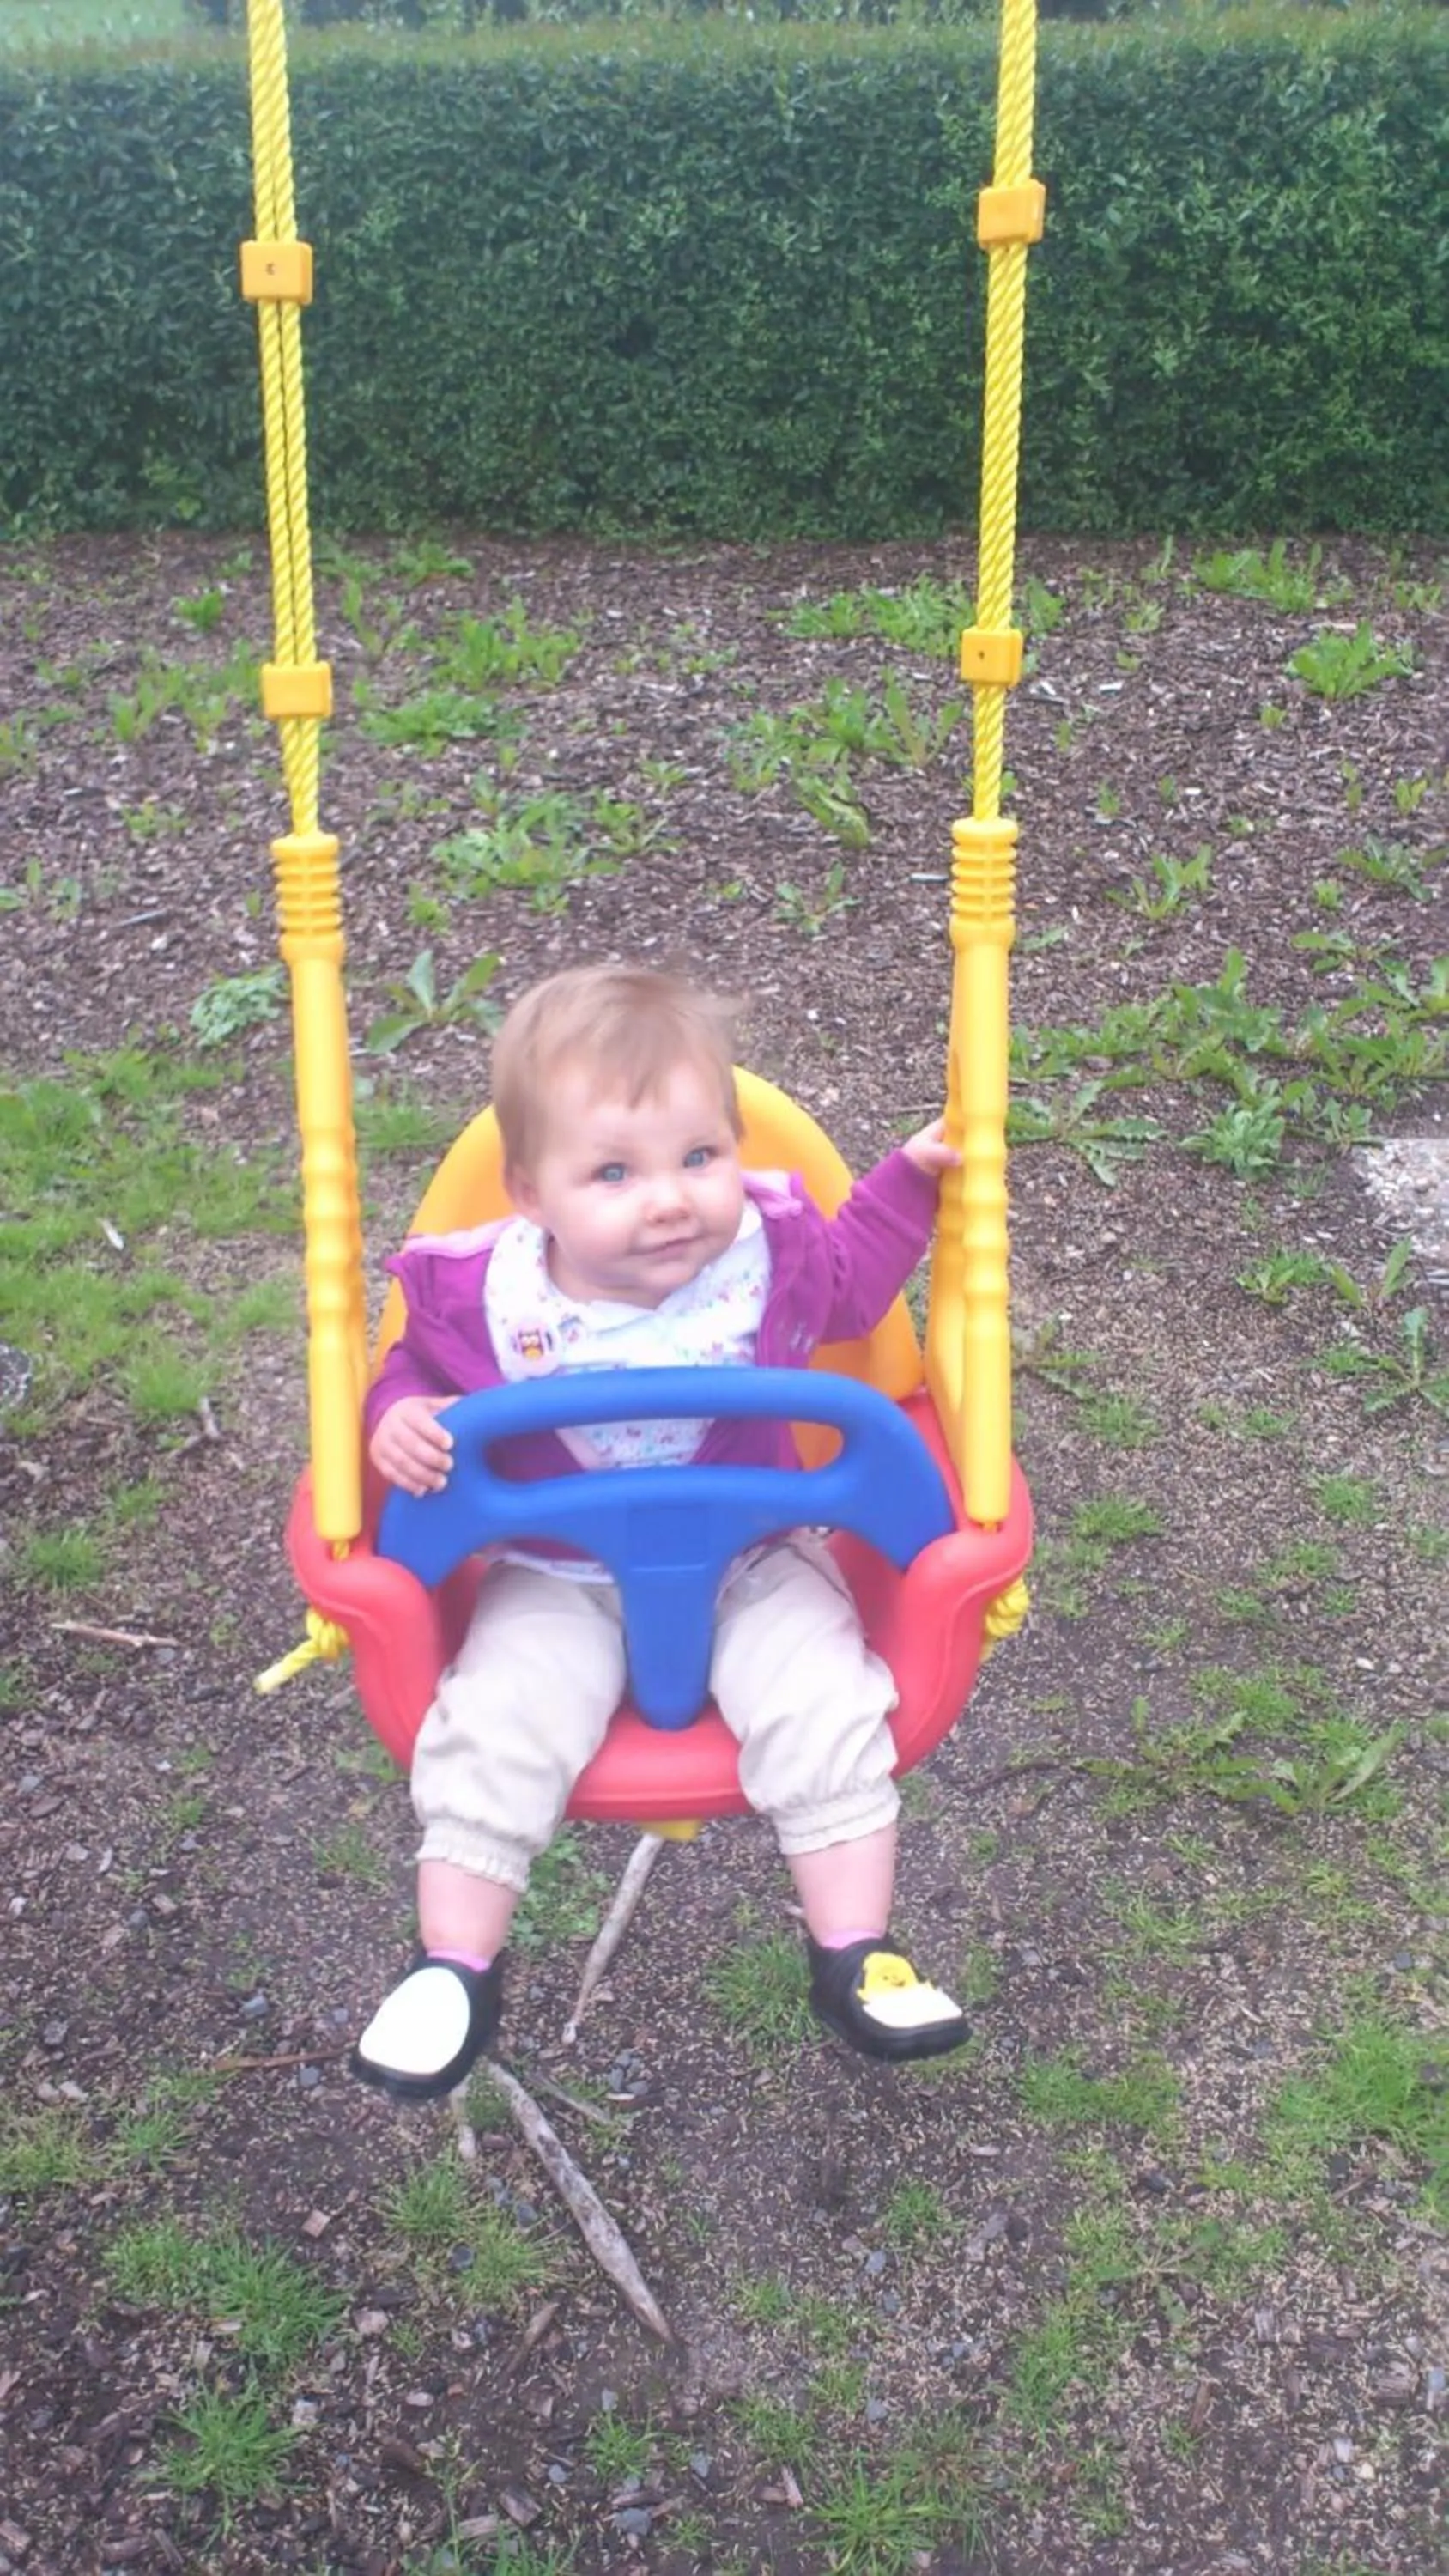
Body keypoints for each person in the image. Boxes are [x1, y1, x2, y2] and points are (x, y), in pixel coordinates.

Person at [354, 963, 971, 2102]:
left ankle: (857, 1951)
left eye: (700, 1157)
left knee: (825, 1701)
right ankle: (454, 1965)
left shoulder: (767, 1254)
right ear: (529, 1193)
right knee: (497, 1725)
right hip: (555, 1575)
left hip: (754, 1557)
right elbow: (404, 1372)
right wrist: (399, 1422)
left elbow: (854, 1288)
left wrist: (911, 1186)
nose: (670, 1200)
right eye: (614, 1174)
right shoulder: (482, 1298)